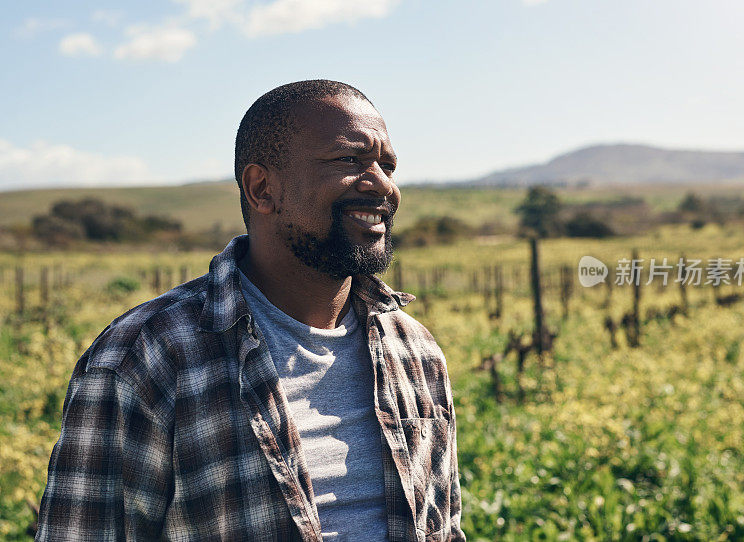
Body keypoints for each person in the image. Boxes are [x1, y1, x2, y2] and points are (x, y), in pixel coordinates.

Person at [36, 80, 466, 542]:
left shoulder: (414, 351)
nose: (383, 184)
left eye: (387, 165)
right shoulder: (147, 356)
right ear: (262, 189)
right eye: (349, 160)